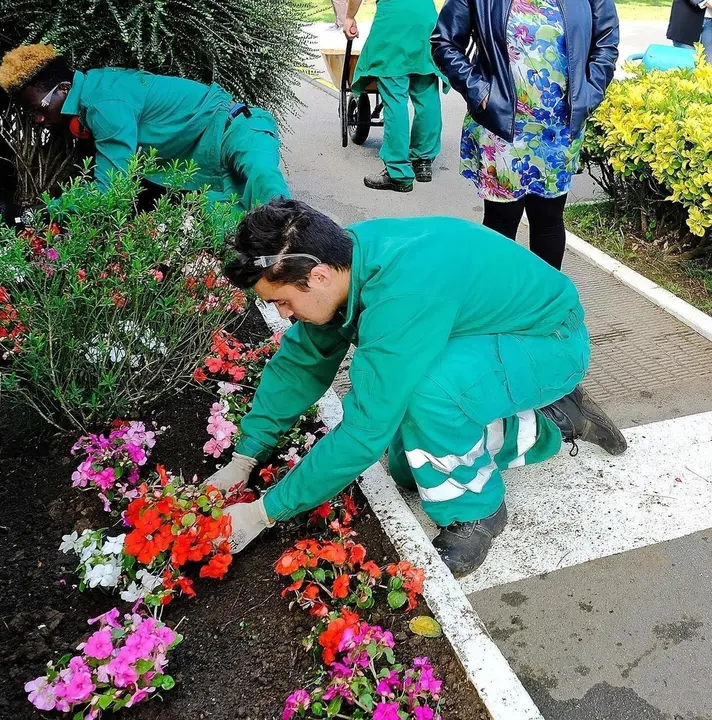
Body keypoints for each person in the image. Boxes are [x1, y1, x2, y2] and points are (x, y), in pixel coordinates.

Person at [214, 199, 627, 576]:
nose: (284, 314)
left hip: (550, 343)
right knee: (409, 465)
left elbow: (364, 433)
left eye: (283, 301)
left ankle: (477, 511)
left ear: (317, 276)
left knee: (426, 396)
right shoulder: (345, 261)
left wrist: (266, 512)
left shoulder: (400, 292)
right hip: (487, 334)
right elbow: (299, 367)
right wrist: (245, 457)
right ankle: (558, 418)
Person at [431, 0, 619, 269]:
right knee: (501, 220)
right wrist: (478, 91)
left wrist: (589, 95)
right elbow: (444, 42)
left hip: (559, 128)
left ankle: (544, 305)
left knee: (549, 219)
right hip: (501, 124)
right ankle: (497, 304)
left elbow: (606, 44)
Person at [0, 44, 290, 212]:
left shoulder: (103, 104)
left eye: (38, 107)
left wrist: (45, 211)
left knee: (274, 203)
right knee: (235, 235)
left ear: (63, 89)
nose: (37, 118)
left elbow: (111, 190)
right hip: (207, 167)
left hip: (237, 131)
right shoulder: (92, 93)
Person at [344, 0, 445, 192]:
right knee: (427, 95)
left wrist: (349, 17)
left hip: (393, 22)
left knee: (394, 99)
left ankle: (398, 172)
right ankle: (423, 161)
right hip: (425, 19)